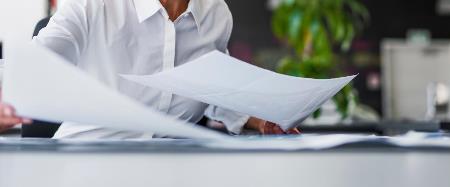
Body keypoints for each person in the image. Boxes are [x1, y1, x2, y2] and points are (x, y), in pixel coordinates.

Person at [0, 0, 299, 138]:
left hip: (177, 168)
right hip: (90, 159)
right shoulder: (92, 5)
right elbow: (31, 64)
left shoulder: (216, 13)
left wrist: (255, 118)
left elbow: (208, 87)